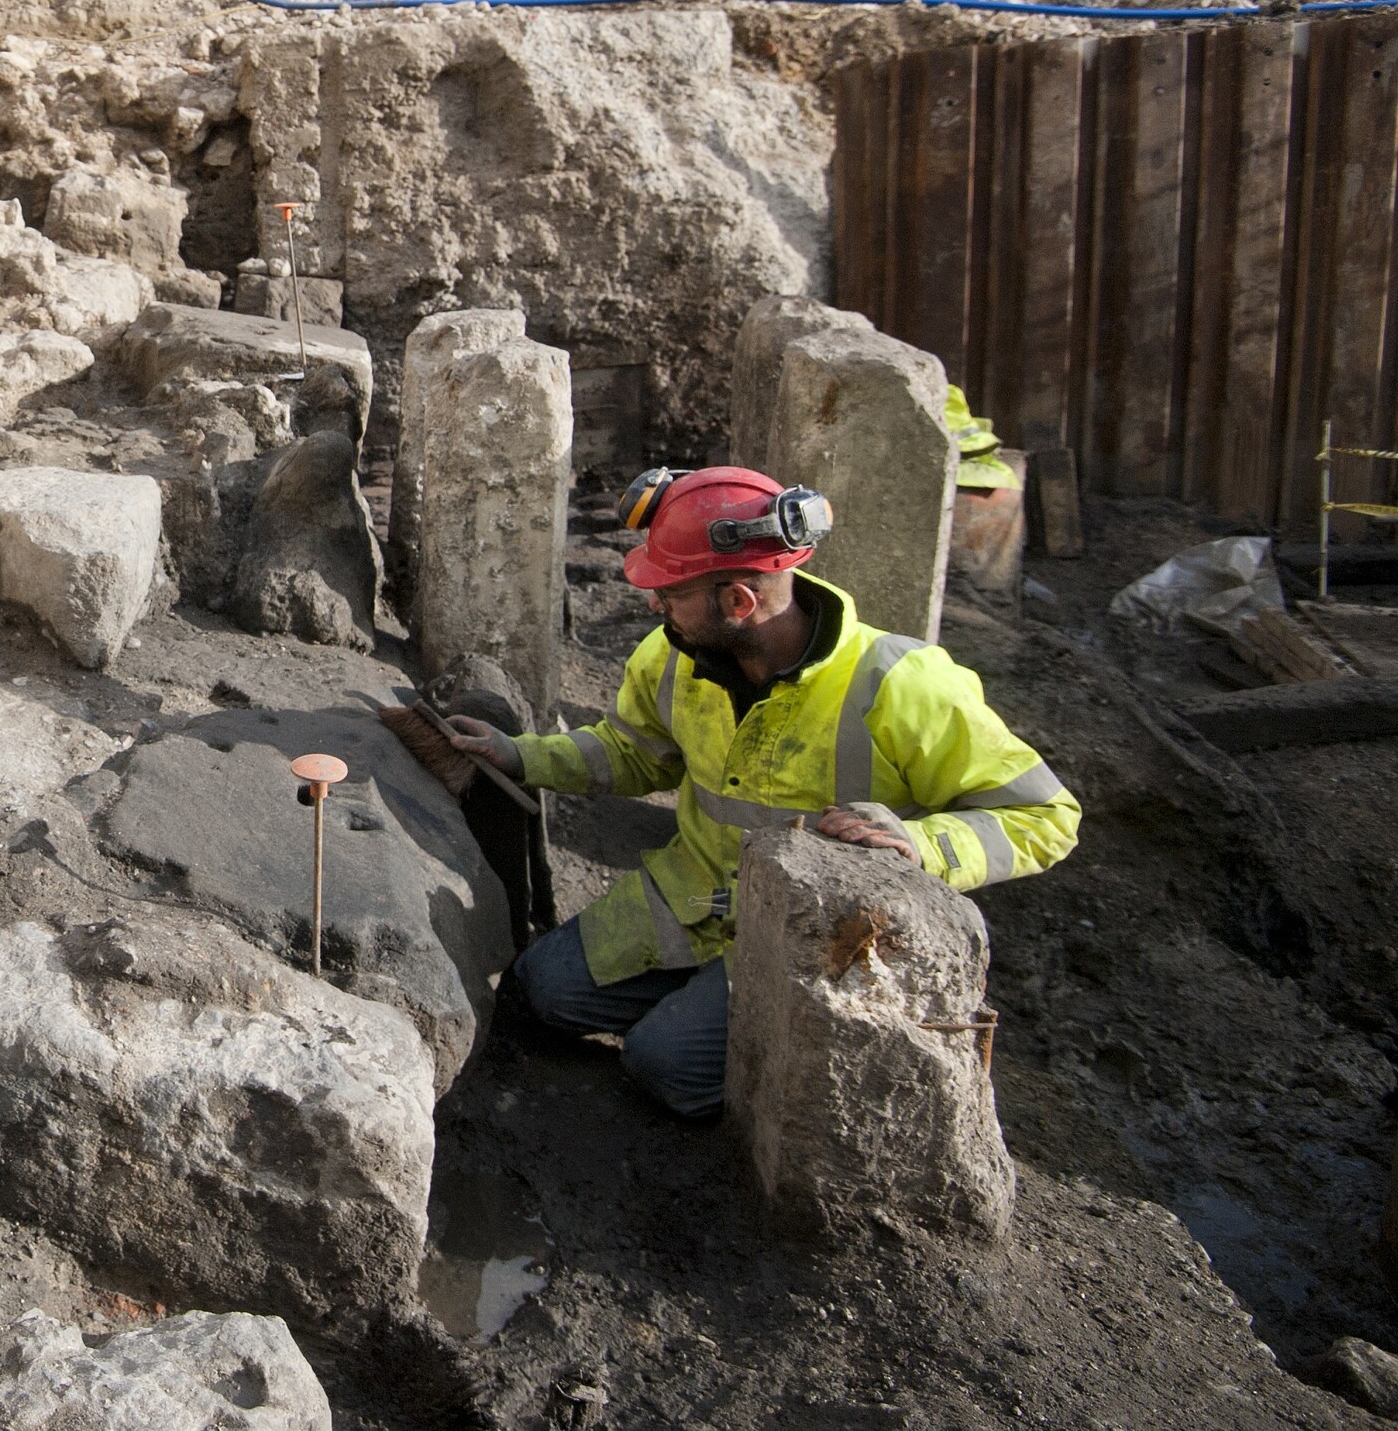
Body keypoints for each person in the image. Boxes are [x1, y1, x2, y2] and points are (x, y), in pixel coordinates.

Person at [391, 465, 1080, 1119]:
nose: (656, 605)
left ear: (741, 600)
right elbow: (635, 754)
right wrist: (517, 755)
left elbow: (1046, 815)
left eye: (672, 593)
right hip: (693, 901)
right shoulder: (672, 657)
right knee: (540, 992)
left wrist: (921, 845)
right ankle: (698, 1012)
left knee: (664, 1064)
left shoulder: (902, 683)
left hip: (816, 941)